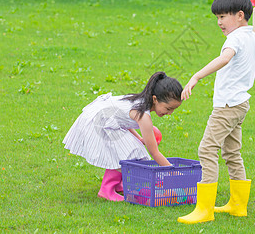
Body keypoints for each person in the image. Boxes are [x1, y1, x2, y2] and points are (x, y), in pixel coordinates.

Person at [177, 0, 255, 224]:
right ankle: (238, 205)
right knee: (231, 153)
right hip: (240, 105)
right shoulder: (248, 35)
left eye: (222, 17)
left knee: (207, 150)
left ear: (239, 15)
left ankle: (204, 209)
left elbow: (225, 58)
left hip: (227, 107)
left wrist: (196, 76)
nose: (219, 23)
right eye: (217, 17)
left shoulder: (235, 39)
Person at [63, 71, 183, 201]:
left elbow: (121, 120)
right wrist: (173, 172)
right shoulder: (143, 116)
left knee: (130, 147)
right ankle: (106, 189)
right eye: (168, 108)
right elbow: (154, 152)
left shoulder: (139, 101)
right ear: (155, 99)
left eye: (173, 110)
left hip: (103, 118)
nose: (170, 113)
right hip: (97, 122)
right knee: (132, 151)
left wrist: (139, 139)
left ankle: (119, 184)